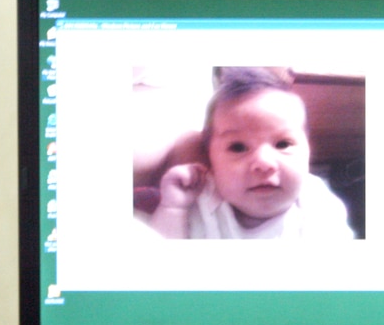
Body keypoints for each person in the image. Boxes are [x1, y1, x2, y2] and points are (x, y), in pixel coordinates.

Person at [143, 66, 354, 240]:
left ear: (308, 149)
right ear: (210, 160)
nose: (264, 163)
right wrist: (173, 208)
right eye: (238, 147)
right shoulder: (200, 197)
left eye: (282, 144)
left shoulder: (318, 205)